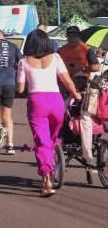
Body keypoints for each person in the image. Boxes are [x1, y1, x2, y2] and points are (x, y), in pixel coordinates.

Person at [17, 29, 81, 197]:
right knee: (52, 138)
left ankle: (46, 177)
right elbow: (66, 81)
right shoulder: (56, 58)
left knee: (42, 140)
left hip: (37, 101)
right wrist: (76, 94)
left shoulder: (24, 62)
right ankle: (51, 163)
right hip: (56, 101)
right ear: (46, 42)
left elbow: (20, 88)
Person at [58, 26, 100, 92]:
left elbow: (97, 67)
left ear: (79, 36)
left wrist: (82, 68)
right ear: (67, 37)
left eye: (74, 36)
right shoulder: (61, 50)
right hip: (64, 82)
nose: (72, 38)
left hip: (81, 83)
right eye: (69, 36)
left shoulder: (87, 49)